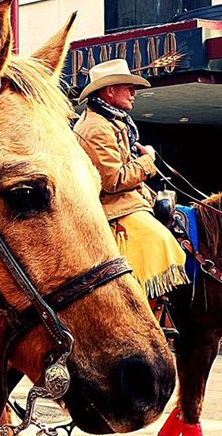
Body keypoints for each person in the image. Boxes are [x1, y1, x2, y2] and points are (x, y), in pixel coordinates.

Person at [74, 59, 187, 300]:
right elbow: (113, 180)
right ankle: (145, 304)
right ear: (109, 91)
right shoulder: (96, 128)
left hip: (130, 202)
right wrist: (149, 161)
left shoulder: (111, 121)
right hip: (114, 210)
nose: (133, 93)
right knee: (161, 240)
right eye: (128, 87)